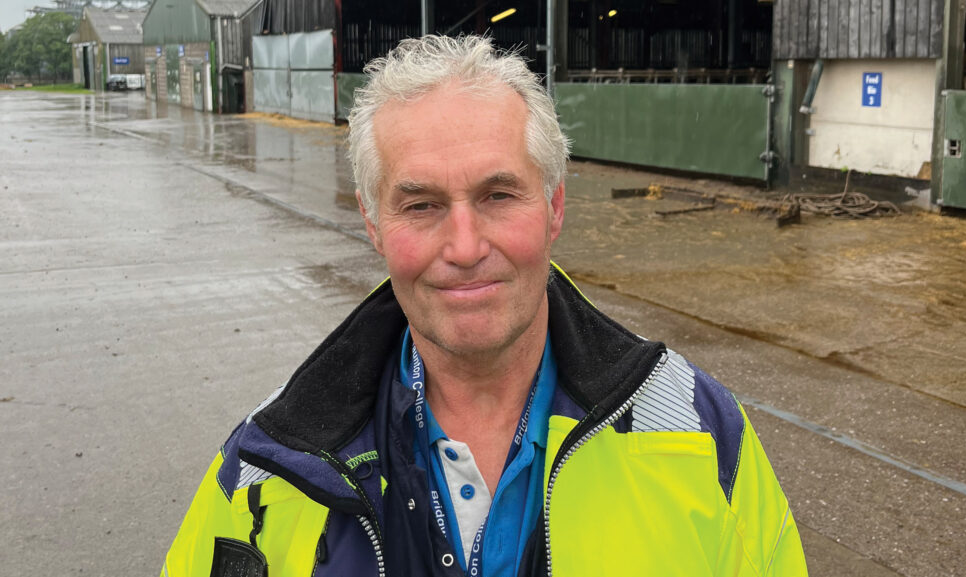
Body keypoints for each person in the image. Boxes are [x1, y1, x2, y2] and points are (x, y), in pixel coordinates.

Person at [162, 35, 807, 577]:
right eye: (421, 205)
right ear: (372, 222)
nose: (465, 247)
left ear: (555, 206)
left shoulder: (699, 435)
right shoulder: (265, 472)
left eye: (499, 195)